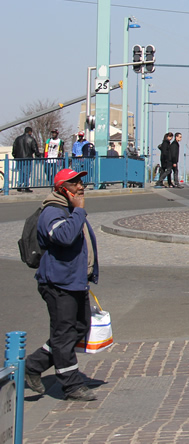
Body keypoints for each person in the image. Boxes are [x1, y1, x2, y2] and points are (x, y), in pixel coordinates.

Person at [23, 168, 100, 402]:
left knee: (78, 329)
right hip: (58, 284)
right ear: (62, 189)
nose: (81, 186)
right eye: (75, 183)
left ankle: (33, 366)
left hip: (75, 282)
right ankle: (71, 385)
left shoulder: (69, 209)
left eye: (81, 182)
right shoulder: (52, 211)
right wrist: (78, 211)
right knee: (64, 334)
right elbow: (64, 237)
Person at [12, 126, 41, 192]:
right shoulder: (31, 139)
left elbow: (14, 149)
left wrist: (15, 156)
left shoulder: (18, 139)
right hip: (28, 158)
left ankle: (19, 185)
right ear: (30, 132)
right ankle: (26, 186)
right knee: (27, 173)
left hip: (19, 159)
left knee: (21, 172)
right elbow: (35, 149)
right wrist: (38, 155)